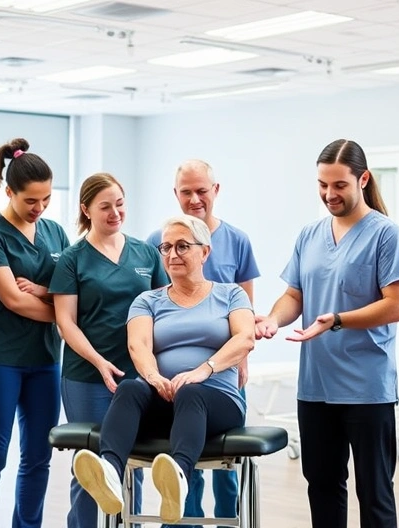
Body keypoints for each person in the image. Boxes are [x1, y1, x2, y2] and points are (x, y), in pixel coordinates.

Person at [254, 139, 399, 528]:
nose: (329, 194)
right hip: (316, 386)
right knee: (322, 487)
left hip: (366, 387)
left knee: (374, 493)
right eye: (323, 185)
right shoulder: (310, 235)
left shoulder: (386, 235)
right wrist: (273, 319)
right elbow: (294, 295)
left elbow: (396, 305)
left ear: (363, 180)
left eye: (339, 185)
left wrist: (337, 320)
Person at [72, 214, 256, 524]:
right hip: (164, 399)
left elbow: (245, 338)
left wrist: (204, 370)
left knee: (192, 393)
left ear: (205, 252)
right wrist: (154, 377)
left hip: (217, 403)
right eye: (166, 247)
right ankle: (110, 474)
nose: (172, 254)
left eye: (182, 246)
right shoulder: (148, 300)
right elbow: (138, 345)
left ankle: (178, 480)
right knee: (130, 388)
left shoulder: (230, 294)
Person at [48, 172, 168, 528]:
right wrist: (99, 362)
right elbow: (66, 322)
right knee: (92, 466)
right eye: (105, 207)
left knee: (132, 463)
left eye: (120, 204)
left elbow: (163, 310)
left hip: (138, 376)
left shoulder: (146, 253)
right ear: (86, 210)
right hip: (87, 376)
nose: (115, 213)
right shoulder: (72, 259)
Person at [145, 160, 259, 527]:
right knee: (184, 457)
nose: (194, 199)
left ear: (216, 191)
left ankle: (228, 520)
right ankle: (184, 522)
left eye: (202, 191)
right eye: (186, 192)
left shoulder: (237, 240)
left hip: (223, 373)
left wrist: (241, 360)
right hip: (176, 381)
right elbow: (154, 306)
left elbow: (246, 308)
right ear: (175, 194)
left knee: (226, 469)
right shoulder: (158, 241)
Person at [0, 138, 70, 528]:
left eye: (46, 199)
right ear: (9, 192)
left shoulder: (55, 233)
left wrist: (45, 293)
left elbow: (69, 292)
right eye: (30, 200)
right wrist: (64, 317)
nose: (39, 208)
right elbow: (13, 300)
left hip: (45, 359)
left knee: (39, 456)